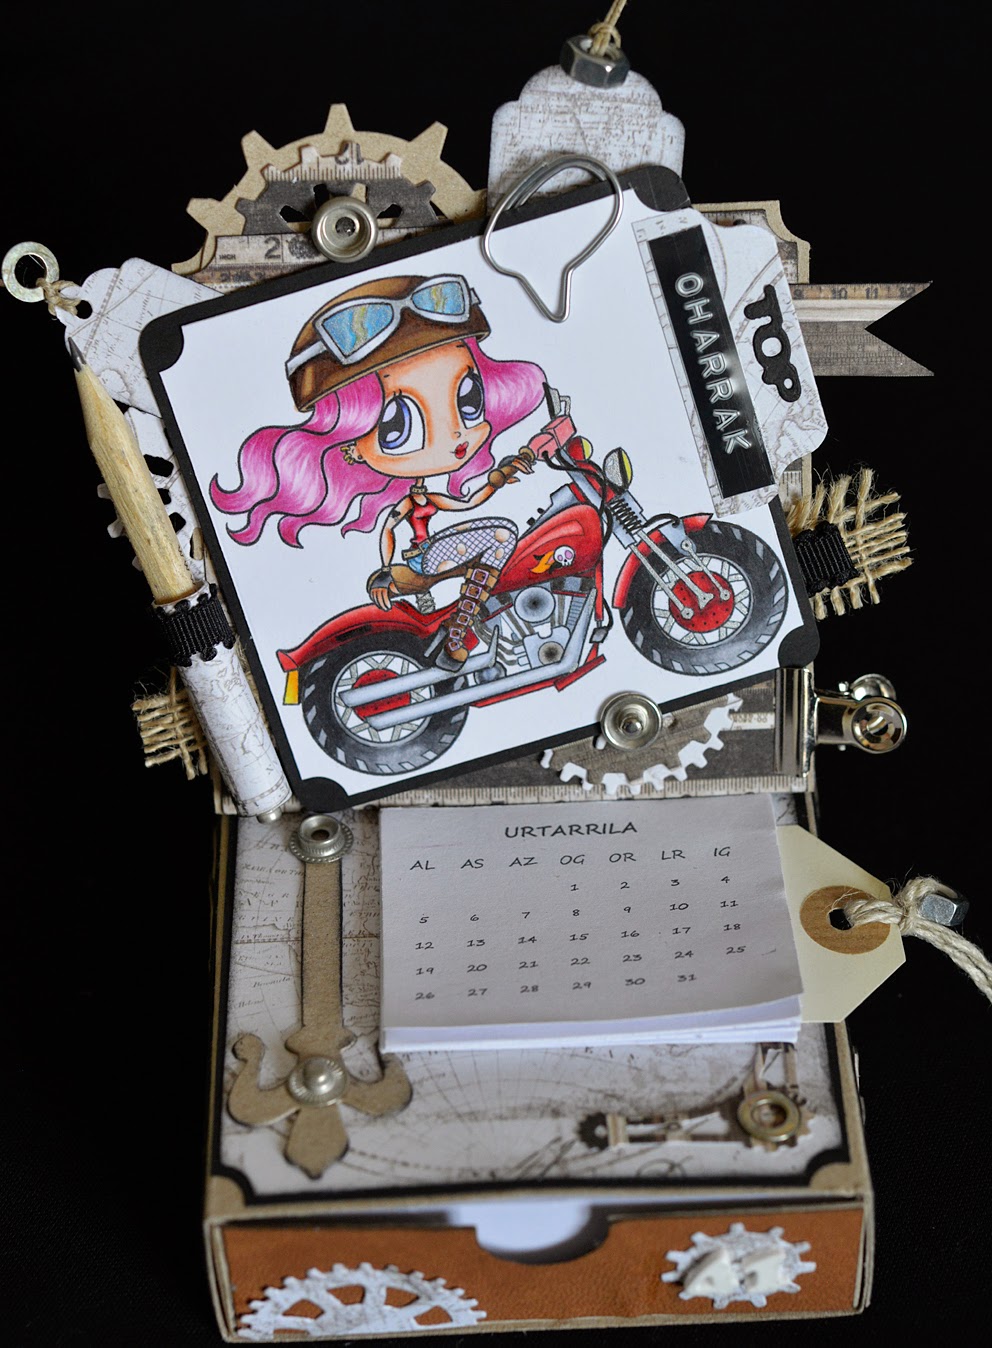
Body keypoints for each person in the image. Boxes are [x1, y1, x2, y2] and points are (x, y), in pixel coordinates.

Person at [210, 274, 546, 669]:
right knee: (503, 535)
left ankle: (485, 622)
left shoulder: (426, 494)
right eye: (398, 425)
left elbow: (466, 502)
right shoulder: (412, 502)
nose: (455, 434)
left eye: (469, 399)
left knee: (512, 548)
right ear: (350, 444)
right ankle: (458, 630)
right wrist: (386, 571)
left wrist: (501, 475)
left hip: (436, 555)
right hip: (424, 559)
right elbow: (389, 527)